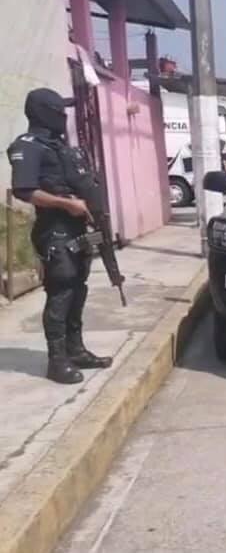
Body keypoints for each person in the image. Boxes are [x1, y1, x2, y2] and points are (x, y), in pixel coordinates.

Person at [7, 88, 113, 384]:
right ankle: (57, 361)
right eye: (60, 111)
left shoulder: (62, 148)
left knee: (78, 288)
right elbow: (25, 191)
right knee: (61, 291)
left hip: (78, 229)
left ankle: (75, 350)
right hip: (54, 230)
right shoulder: (28, 146)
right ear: (44, 113)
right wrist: (66, 204)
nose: (64, 117)